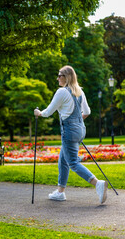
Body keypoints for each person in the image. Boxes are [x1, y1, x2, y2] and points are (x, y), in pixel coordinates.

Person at [34, 65, 108, 204]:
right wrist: (76, 122)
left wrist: (39, 113)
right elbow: (87, 112)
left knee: (73, 162)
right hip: (80, 130)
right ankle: (60, 192)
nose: (57, 78)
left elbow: (49, 111)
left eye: (59, 75)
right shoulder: (79, 92)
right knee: (63, 159)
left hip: (69, 131)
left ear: (66, 77)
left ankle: (97, 183)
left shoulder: (62, 92)